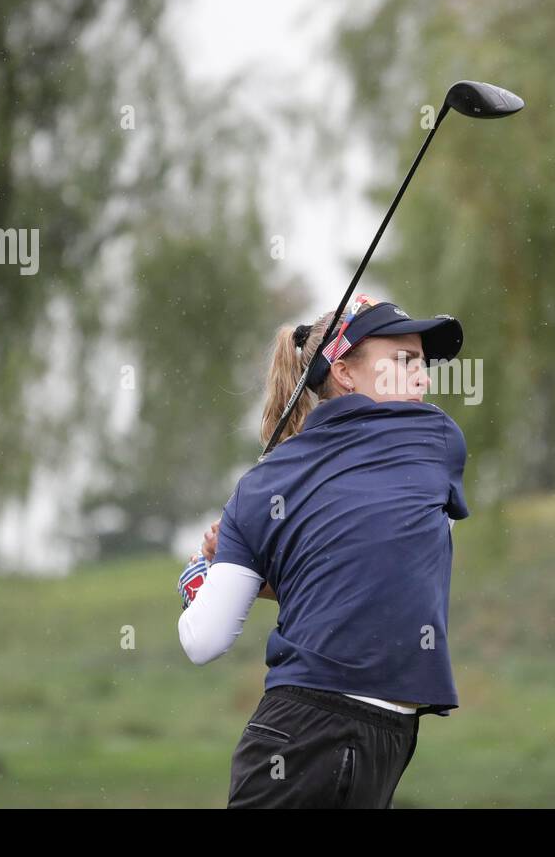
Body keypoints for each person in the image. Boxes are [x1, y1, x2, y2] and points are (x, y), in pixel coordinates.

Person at [175, 294, 470, 808]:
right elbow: (206, 645)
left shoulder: (431, 437)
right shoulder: (431, 441)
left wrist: (205, 571)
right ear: (345, 373)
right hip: (307, 732)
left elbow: (375, 565)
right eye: (403, 361)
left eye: (422, 364)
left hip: (372, 735)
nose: (423, 378)